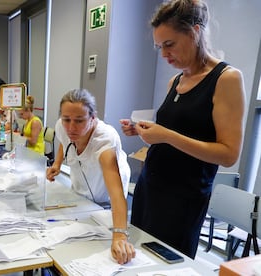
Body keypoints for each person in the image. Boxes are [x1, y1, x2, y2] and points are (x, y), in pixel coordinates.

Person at [121, 0, 245, 259]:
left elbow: (228, 153)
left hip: (183, 198)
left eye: (170, 44)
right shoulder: (175, 81)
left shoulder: (227, 79)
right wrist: (144, 131)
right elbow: (175, 135)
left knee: (167, 265)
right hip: (150, 187)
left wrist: (165, 135)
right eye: (159, 47)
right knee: (139, 260)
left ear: (195, 33)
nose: (164, 54)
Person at [46, 89, 135, 264]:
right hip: (82, 190)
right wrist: (57, 163)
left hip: (107, 196)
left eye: (79, 121)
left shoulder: (104, 139)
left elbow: (116, 193)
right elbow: (65, 141)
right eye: (66, 119)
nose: (71, 127)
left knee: (98, 244)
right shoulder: (62, 126)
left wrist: (119, 236)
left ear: (93, 117)